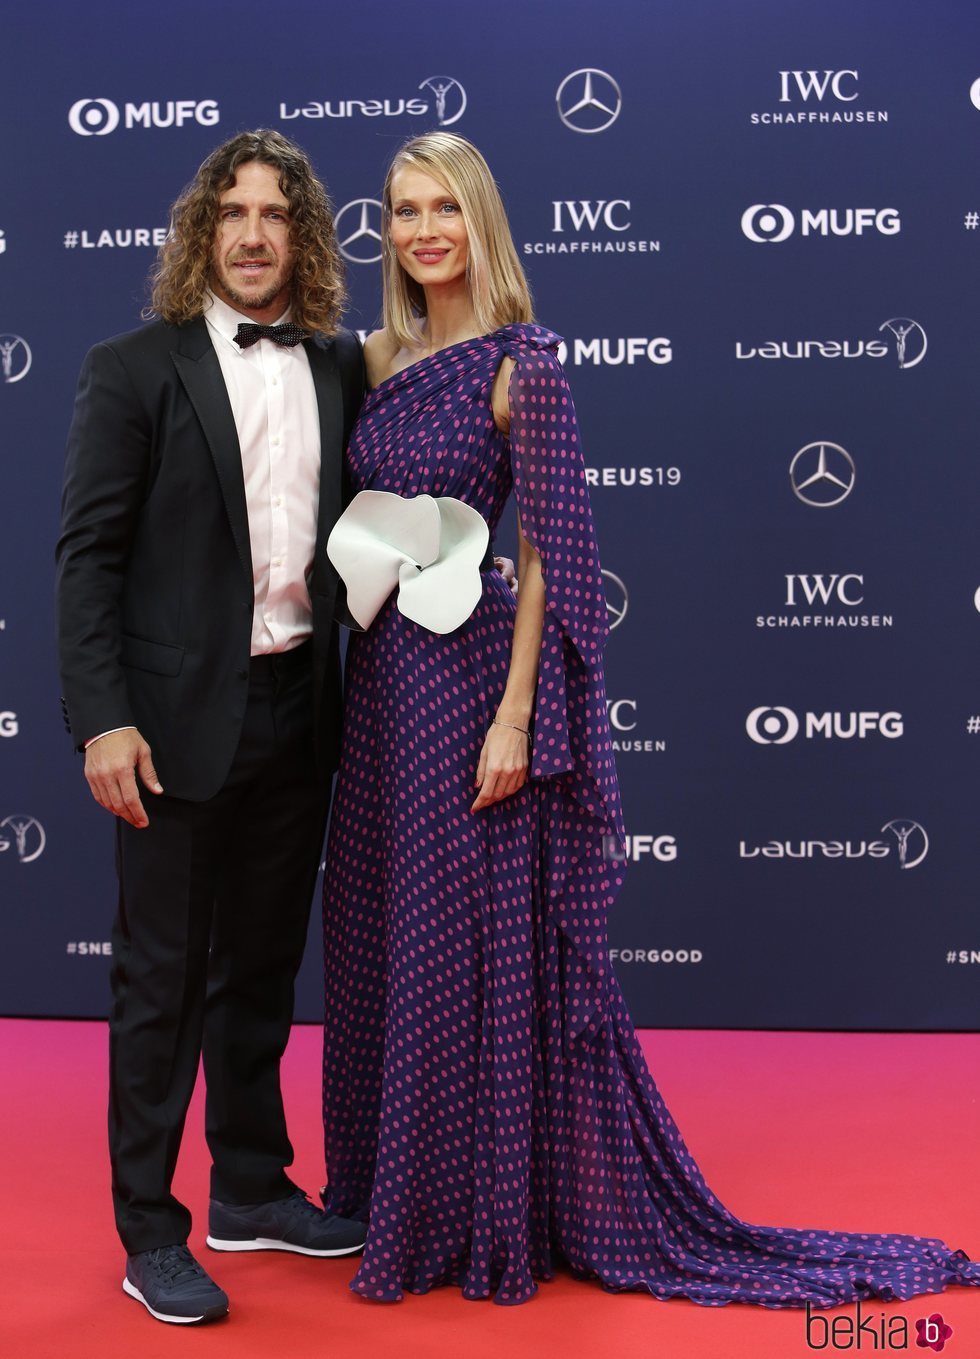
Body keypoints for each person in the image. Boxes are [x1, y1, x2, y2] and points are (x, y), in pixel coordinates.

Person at [319, 131, 980, 1307]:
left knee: (466, 945)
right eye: (402, 210)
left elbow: (552, 552)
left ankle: (479, 1209)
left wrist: (517, 715)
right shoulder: (372, 357)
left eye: (443, 209)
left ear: (481, 219)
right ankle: (397, 1190)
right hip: (379, 686)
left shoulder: (526, 363)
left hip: (468, 678)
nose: (422, 232)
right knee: (393, 934)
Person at [55, 130, 369, 1326]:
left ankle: (248, 1184)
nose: (250, 234)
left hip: (299, 710)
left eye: (274, 214)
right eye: (230, 214)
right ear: (201, 234)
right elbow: (86, 561)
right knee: (160, 985)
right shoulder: (130, 369)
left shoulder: (339, 364)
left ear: (304, 236)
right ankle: (150, 1228)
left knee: (263, 969)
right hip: (174, 723)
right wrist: (102, 722)